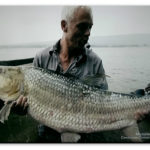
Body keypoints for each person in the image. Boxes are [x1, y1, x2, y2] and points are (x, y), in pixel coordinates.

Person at [13, 6, 149, 142]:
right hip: (46, 133)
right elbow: (30, 104)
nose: (88, 33)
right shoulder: (41, 58)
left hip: (84, 136)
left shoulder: (95, 62)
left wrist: (132, 110)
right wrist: (21, 109)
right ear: (64, 26)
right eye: (82, 26)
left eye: (90, 27)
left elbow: (104, 104)